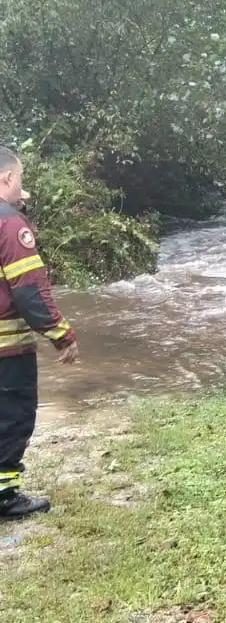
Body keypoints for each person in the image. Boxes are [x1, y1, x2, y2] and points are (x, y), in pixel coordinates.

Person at [0, 146, 77, 520]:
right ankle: (3, 495)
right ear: (7, 178)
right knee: (12, 415)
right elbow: (29, 290)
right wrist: (61, 334)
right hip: (6, 350)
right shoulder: (10, 225)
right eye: (21, 179)